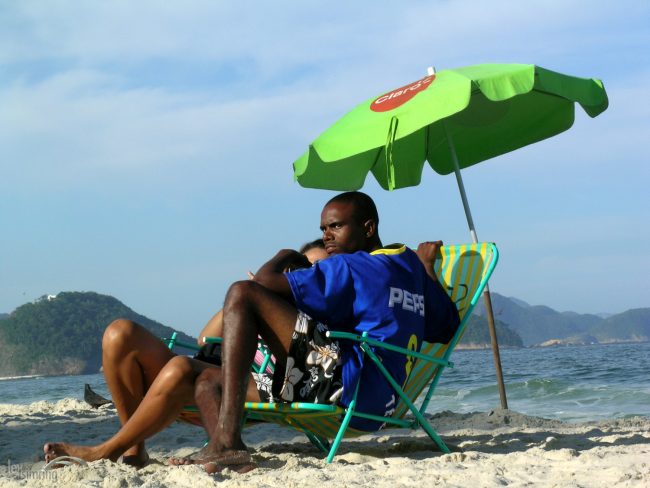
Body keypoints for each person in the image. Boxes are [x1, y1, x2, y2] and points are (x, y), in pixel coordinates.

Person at [172, 191, 460, 474]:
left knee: (242, 292)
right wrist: (426, 267)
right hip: (386, 403)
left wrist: (285, 254)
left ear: (368, 227)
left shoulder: (352, 267)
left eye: (335, 226)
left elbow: (262, 282)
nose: (326, 235)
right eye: (323, 228)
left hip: (350, 391)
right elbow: (448, 327)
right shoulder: (408, 264)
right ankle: (223, 441)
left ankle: (226, 442)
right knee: (210, 379)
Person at [42, 240, 328, 467]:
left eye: (317, 270)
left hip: (243, 388)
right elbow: (206, 338)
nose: (306, 277)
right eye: (300, 269)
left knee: (181, 368)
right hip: (203, 365)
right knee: (120, 333)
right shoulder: (265, 298)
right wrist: (250, 297)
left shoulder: (315, 323)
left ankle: (105, 450)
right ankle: (134, 449)